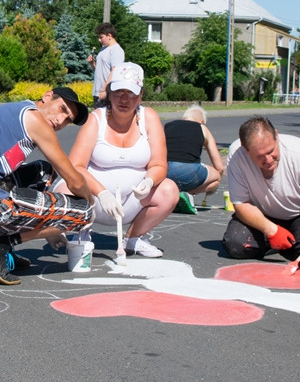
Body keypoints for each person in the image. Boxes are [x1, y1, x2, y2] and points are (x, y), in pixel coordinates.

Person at [0, 87, 94, 285]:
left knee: (44, 171)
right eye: (62, 109)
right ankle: (1, 245)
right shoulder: (35, 120)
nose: (60, 120)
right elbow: (75, 180)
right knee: (83, 213)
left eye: (67, 120)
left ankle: (3, 248)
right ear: (47, 96)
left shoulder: (12, 111)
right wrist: (91, 203)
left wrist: (43, 220)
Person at [56, 63, 178, 257]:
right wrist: (101, 193)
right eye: (119, 92)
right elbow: (75, 165)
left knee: (169, 190)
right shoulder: (96, 119)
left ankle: (133, 238)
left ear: (140, 96)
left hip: (133, 200)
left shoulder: (150, 118)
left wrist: (149, 181)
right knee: (63, 191)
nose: (124, 99)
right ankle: (82, 230)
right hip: (93, 199)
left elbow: (159, 164)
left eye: (131, 93)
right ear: (110, 94)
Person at [221, 116, 300, 265]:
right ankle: (278, 241)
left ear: (276, 136)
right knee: (236, 245)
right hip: (264, 214)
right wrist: (271, 230)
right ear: (245, 151)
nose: (268, 159)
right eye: (260, 156)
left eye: (271, 151)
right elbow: (241, 204)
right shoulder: (237, 155)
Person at [164, 104, 225, 206]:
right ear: (201, 122)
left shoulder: (168, 126)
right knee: (216, 178)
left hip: (165, 171)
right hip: (189, 171)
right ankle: (188, 194)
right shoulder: (202, 128)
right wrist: (213, 189)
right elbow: (219, 168)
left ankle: (173, 195)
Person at [87, 21, 124, 108]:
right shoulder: (103, 49)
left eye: (101, 37)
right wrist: (92, 64)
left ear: (109, 36)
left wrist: (104, 89)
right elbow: (100, 70)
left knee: (106, 120)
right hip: (98, 92)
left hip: (107, 94)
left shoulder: (116, 50)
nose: (99, 40)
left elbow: (114, 71)